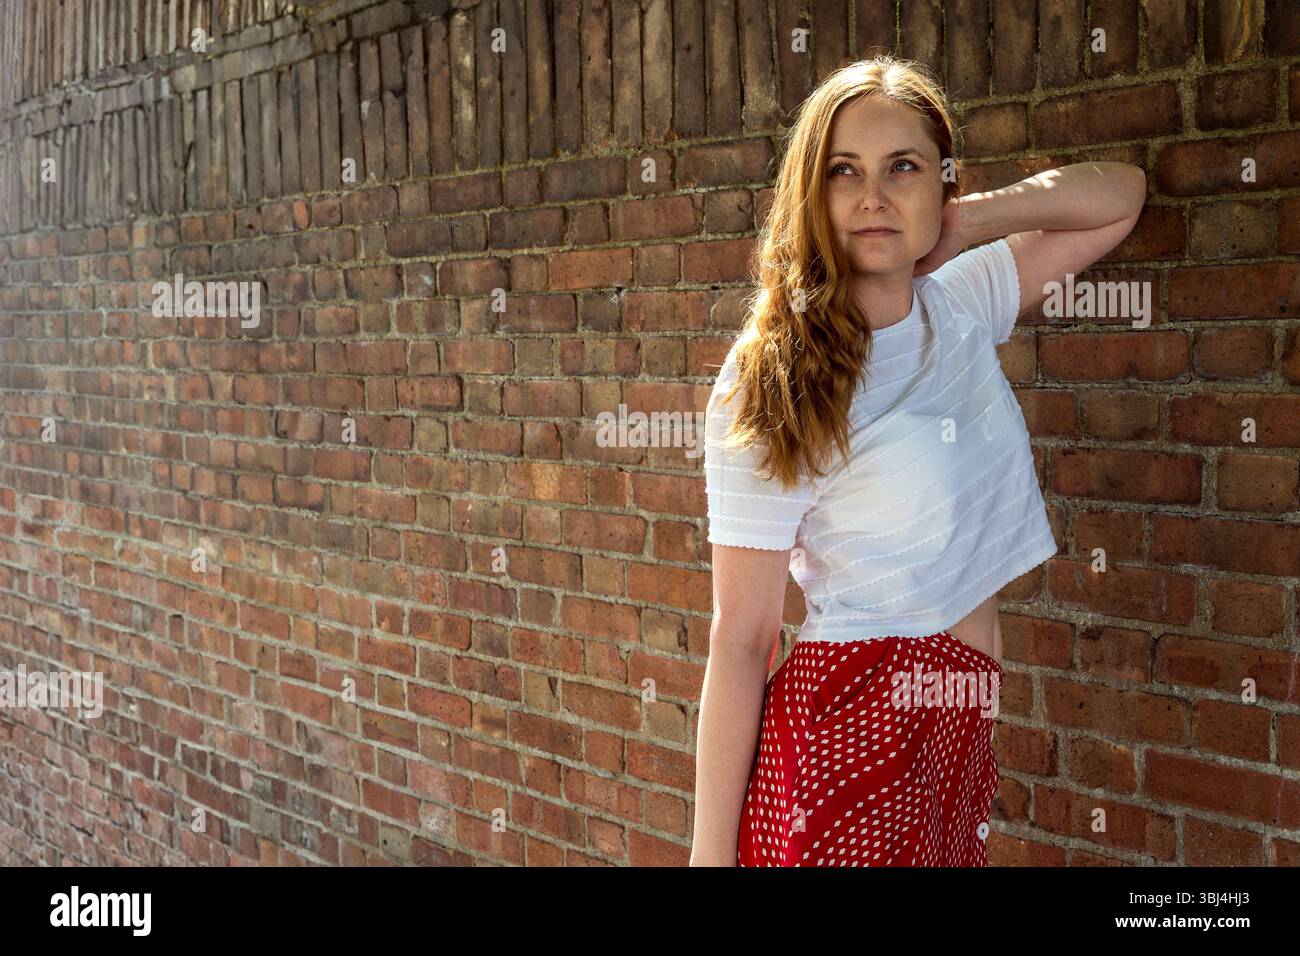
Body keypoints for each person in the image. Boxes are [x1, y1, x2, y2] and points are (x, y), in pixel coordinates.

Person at [689, 55, 1146, 867]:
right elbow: (742, 638)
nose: (872, 196)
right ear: (812, 194)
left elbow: (1120, 196)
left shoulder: (961, 305)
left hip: (953, 733)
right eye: (843, 172)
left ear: (942, 180)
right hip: (846, 750)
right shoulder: (771, 376)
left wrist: (967, 220)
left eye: (902, 168)